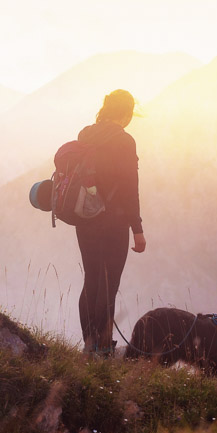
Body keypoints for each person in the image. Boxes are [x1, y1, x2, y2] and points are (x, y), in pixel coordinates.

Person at [76, 89, 146, 357]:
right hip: (114, 221)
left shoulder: (86, 134)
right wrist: (137, 229)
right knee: (109, 284)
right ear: (126, 113)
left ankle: (89, 343)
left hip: (85, 218)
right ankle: (103, 348)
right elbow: (130, 189)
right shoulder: (124, 141)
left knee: (91, 279)